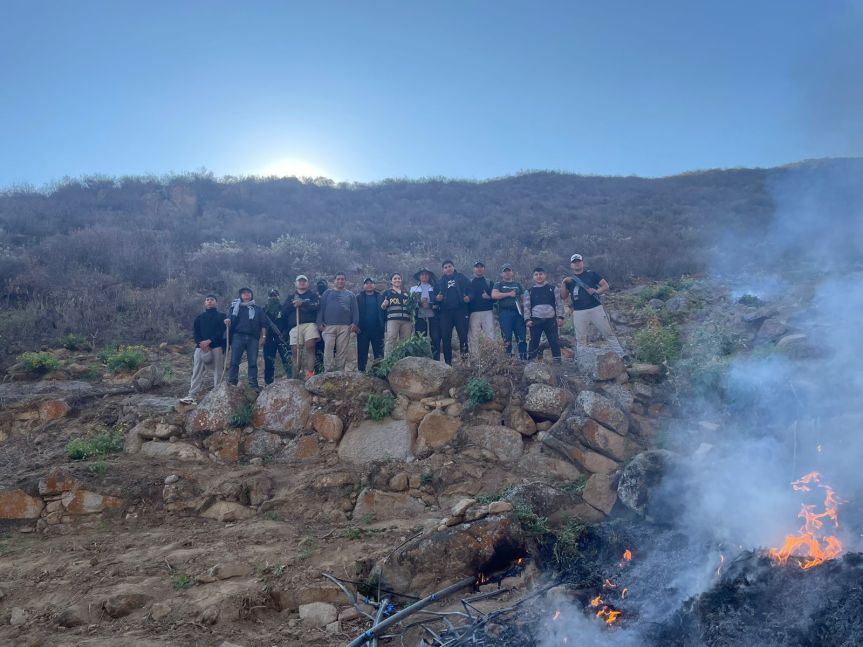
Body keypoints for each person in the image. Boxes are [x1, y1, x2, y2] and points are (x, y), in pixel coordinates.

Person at [560, 253, 625, 357]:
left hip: (596, 308)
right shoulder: (569, 280)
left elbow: (605, 286)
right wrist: (563, 282)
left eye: (578, 261)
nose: (577, 264)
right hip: (578, 311)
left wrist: (596, 291)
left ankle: (621, 355)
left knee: (608, 333)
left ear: (582, 262)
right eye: (574, 262)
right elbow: (563, 296)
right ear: (571, 265)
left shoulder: (592, 274)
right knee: (581, 338)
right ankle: (583, 360)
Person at [180, 294, 227, 403]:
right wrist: (201, 343)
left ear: (216, 302)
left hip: (216, 347)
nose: (209, 301)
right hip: (200, 348)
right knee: (196, 371)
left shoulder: (222, 316)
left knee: (218, 371)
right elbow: (196, 333)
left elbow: (221, 332)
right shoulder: (199, 318)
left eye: (212, 300)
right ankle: (191, 395)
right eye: (207, 300)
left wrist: (209, 341)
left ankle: (217, 395)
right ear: (205, 303)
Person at [317, 272, 359, 371]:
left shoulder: (350, 294)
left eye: (342, 279)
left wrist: (355, 323)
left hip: (345, 327)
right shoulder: (327, 293)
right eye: (338, 279)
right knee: (328, 350)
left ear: (345, 281)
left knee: (341, 351)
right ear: (334, 281)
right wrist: (319, 322)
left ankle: (339, 372)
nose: (340, 281)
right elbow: (321, 308)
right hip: (328, 326)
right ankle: (328, 371)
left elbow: (355, 310)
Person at [226, 287, 266, 388]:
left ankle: (253, 385)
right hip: (238, 336)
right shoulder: (234, 307)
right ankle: (232, 383)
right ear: (240, 295)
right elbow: (229, 319)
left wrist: (263, 336)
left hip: (253, 338)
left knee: (252, 362)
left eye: (248, 293)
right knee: (234, 361)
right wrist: (227, 321)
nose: (246, 295)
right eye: (244, 293)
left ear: (251, 294)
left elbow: (263, 324)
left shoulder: (257, 309)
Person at [523, 268, 564, 362]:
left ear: (545, 275)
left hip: (551, 320)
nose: (539, 276)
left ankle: (557, 363)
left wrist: (561, 317)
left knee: (554, 342)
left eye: (540, 274)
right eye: (536, 274)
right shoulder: (529, 291)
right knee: (534, 342)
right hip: (535, 321)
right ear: (533, 277)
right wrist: (527, 320)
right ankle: (531, 363)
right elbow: (526, 307)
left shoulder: (554, 289)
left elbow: (559, 304)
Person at [435, 260, 471, 365]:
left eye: (449, 266)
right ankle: (447, 363)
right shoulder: (440, 282)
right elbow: (434, 296)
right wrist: (437, 298)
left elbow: (471, 290)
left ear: (453, 267)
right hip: (445, 313)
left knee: (463, 336)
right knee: (446, 338)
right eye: (445, 267)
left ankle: (465, 362)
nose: (448, 269)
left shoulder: (461, 278)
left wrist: (469, 297)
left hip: (461, 310)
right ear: (443, 270)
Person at [287, 275, 320, 379]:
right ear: (295, 283)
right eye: (299, 281)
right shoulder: (290, 297)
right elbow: (284, 311)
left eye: (304, 281)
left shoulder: (313, 295)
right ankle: (296, 374)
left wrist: (303, 303)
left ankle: (310, 373)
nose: (302, 283)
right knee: (295, 350)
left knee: (311, 347)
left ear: (307, 283)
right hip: (295, 326)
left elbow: (316, 306)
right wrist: (293, 304)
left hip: (310, 324)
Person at [492, 263, 527, 360]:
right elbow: (494, 295)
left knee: (521, 337)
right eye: (505, 271)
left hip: (518, 313)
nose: (507, 273)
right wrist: (508, 294)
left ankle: (523, 359)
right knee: (507, 337)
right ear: (501, 274)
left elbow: (524, 298)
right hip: (505, 313)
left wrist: (524, 308)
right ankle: (507, 360)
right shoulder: (498, 284)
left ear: (512, 272)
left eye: (509, 271)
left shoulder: (518, 285)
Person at [410, 268, 441, 361]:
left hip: (433, 316)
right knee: (420, 338)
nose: (424, 276)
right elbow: (410, 303)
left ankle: (436, 360)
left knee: (435, 338)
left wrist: (430, 304)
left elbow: (439, 301)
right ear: (419, 277)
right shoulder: (413, 289)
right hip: (419, 316)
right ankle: (420, 359)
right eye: (422, 274)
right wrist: (419, 302)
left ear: (429, 276)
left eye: (426, 274)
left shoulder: (435, 287)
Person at [262, 288, 291, 384]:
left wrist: (285, 334)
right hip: (269, 340)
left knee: (287, 361)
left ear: (278, 297)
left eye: (275, 295)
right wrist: (263, 337)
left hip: (283, 339)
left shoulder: (283, 309)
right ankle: (268, 383)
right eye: (271, 296)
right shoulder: (263, 310)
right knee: (269, 362)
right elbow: (261, 325)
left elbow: (289, 323)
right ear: (268, 297)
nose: (273, 297)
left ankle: (291, 380)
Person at [356, 277, 385, 372]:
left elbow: (385, 311)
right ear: (363, 285)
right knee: (362, 352)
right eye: (367, 283)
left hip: (377, 329)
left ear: (374, 285)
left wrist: (384, 325)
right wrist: (356, 325)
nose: (369, 285)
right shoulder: (358, 297)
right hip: (362, 329)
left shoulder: (381, 297)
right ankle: (361, 371)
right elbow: (355, 312)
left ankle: (379, 372)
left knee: (379, 352)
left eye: (371, 283)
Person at [467, 261, 496, 355]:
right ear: (473, 269)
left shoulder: (489, 283)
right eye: (477, 267)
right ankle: (474, 360)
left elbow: (496, 298)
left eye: (481, 267)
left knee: (490, 336)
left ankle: (492, 359)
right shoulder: (469, 283)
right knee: (473, 337)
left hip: (488, 312)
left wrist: (489, 297)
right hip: (473, 313)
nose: (479, 269)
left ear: (484, 269)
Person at [382, 273, 413, 356]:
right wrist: (384, 304)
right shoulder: (387, 293)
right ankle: (387, 361)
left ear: (401, 280)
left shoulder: (406, 293)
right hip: (393, 320)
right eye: (395, 278)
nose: (397, 280)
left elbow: (411, 307)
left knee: (406, 341)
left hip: (406, 321)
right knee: (391, 339)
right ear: (391, 281)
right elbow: (382, 307)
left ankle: (404, 361)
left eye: (399, 278)